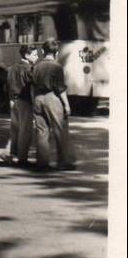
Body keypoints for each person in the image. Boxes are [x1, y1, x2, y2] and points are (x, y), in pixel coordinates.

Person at [31, 39, 76, 171]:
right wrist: (67, 105)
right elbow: (60, 88)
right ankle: (64, 162)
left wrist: (34, 100)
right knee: (60, 130)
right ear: (56, 53)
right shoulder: (57, 67)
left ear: (43, 51)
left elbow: (32, 86)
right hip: (52, 98)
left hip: (38, 98)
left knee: (42, 132)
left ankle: (42, 163)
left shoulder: (36, 66)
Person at [1, 45, 38, 165]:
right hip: (25, 101)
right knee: (25, 130)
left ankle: (9, 153)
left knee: (15, 129)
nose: (37, 57)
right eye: (35, 55)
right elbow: (33, 86)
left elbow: (6, 86)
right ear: (27, 55)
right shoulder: (29, 69)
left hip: (12, 101)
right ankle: (22, 158)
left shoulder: (11, 68)